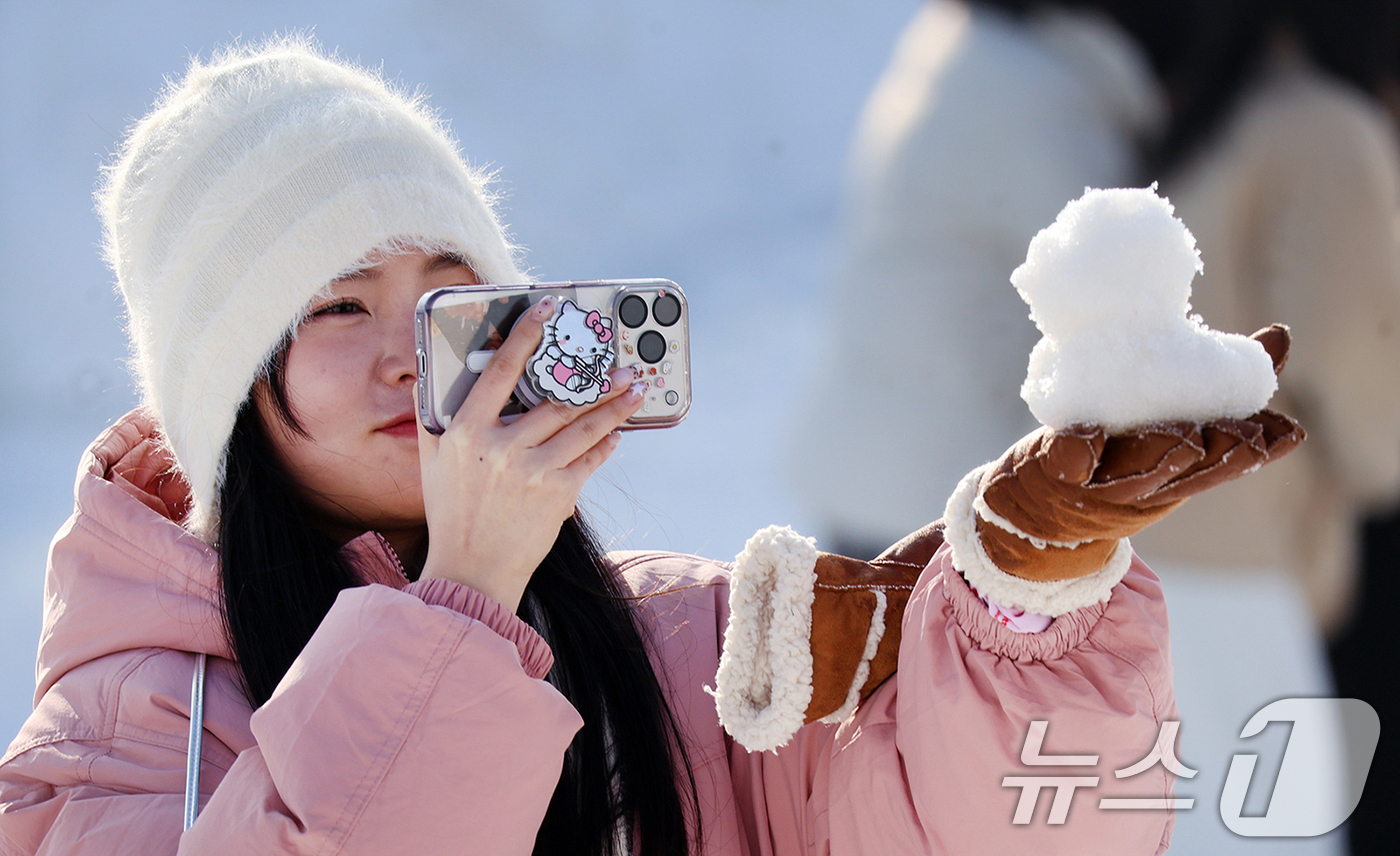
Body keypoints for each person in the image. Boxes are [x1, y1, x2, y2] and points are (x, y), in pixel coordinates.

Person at [0, 38, 1299, 855]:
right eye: (338, 305)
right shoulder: (110, 748)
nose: (409, 352)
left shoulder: (683, 645)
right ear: (225, 386)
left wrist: (1033, 603)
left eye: (454, 298)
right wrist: (461, 605)